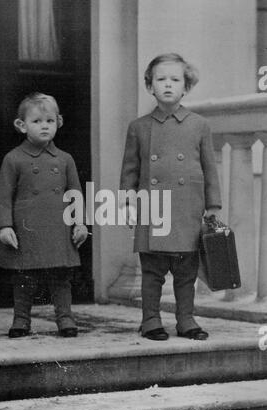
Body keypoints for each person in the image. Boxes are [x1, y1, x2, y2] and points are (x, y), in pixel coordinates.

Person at [120, 53, 222, 341]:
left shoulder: (199, 125)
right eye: (160, 79)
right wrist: (128, 202)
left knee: (186, 273)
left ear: (186, 88)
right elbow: (129, 170)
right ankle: (151, 319)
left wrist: (213, 207)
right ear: (150, 86)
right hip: (152, 209)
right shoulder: (139, 127)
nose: (167, 85)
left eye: (175, 80)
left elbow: (209, 169)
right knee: (151, 272)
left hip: (187, 209)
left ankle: (186, 319)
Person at [0, 93, 88, 339]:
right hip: (28, 229)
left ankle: (65, 319)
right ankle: (21, 320)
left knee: (61, 278)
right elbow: (4, 196)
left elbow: (75, 193)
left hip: (59, 227)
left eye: (49, 120)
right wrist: (4, 226)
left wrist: (80, 223)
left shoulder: (65, 159)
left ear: (59, 122)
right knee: (24, 278)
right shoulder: (13, 159)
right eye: (36, 121)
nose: (44, 125)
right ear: (21, 125)